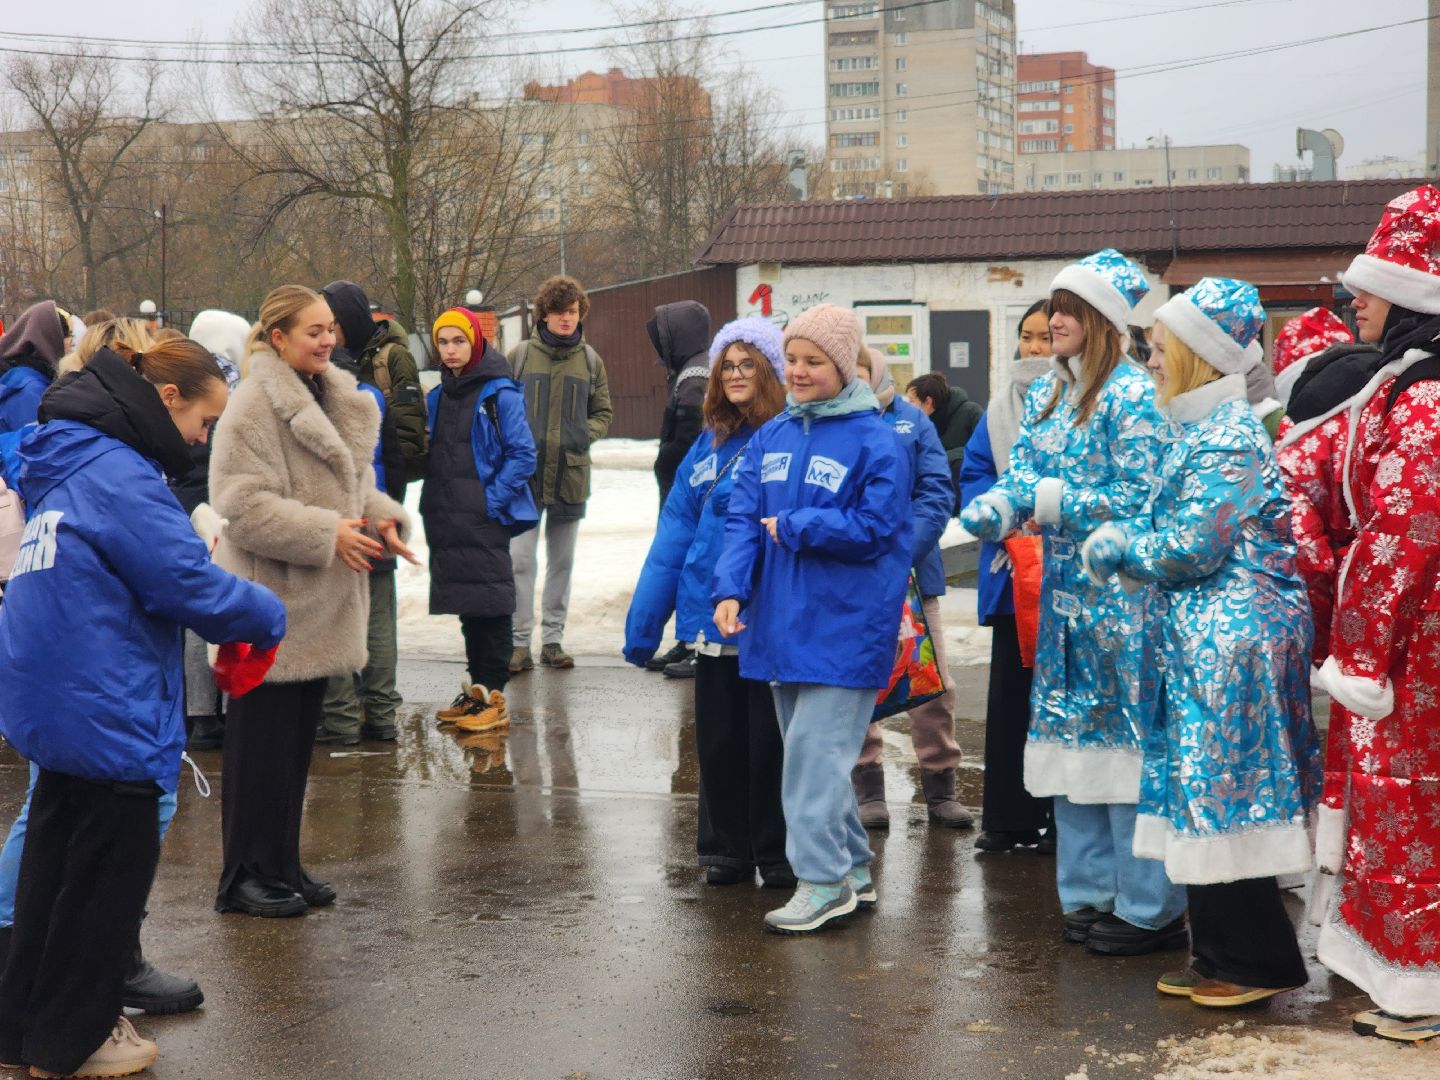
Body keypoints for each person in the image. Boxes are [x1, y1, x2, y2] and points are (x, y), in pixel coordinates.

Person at [0, 338, 285, 1078]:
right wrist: (268, 611)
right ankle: (76, 1040)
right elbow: (188, 584)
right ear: (167, 399)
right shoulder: (120, 473)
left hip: (55, 694)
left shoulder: (69, 457)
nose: (204, 437)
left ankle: (20, 1031)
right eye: (203, 419)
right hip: (106, 701)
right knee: (104, 885)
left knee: (54, 875)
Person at [1082, 277, 1320, 1007]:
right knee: (1201, 796)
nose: (1150, 359)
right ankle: (1217, 951)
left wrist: (1124, 545)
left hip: (1235, 644)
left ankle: (1257, 961)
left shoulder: (1228, 435)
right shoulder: (1201, 428)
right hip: (1204, 640)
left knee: (1229, 800)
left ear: (1198, 354)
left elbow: (1193, 547)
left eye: (1160, 347)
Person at [960, 249, 1187, 956]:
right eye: (1051, 308)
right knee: (1070, 750)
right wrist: (1001, 502)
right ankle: (1088, 893)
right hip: (1063, 607)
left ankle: (1148, 907)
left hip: (1124, 603)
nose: (1053, 320)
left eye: (1065, 310)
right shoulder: (1050, 392)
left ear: (1098, 320)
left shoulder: (1133, 395)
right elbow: (1025, 470)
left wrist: (1056, 503)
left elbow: (1145, 499)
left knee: (1125, 756)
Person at [209, 285, 414, 919]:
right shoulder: (252, 404)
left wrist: (380, 519)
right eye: (313, 331)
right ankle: (246, 875)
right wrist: (329, 533)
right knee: (258, 751)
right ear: (278, 338)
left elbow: (355, 485)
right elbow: (239, 506)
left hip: (319, 605)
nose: (328, 339)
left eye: (331, 329)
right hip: (271, 606)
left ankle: (282, 862)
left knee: (295, 748)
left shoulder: (331, 393)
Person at [712, 304, 911, 934]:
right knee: (814, 759)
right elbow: (742, 518)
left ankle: (820, 882)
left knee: (810, 762)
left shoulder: (876, 438)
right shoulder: (772, 436)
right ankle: (850, 870)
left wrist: (800, 526)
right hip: (779, 629)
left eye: (813, 362)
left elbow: (880, 528)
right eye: (792, 359)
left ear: (845, 365)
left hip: (845, 629)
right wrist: (731, 591)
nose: (797, 372)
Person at [1308, 186, 1440, 1042]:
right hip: (1418, 647)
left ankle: (1422, 991)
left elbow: (1401, 533)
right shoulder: (1411, 387)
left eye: (1371, 280)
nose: (1354, 296)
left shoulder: (1426, 401)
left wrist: (1358, 656)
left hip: (1419, 657)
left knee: (1413, 812)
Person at [626, 316, 792, 888]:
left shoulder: (788, 436)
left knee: (768, 740)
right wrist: (645, 623)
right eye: (728, 365)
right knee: (718, 739)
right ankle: (725, 849)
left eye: (749, 364)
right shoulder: (708, 442)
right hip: (708, 617)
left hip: (767, 616)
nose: (737, 374)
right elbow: (674, 535)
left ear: (771, 371)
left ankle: (774, 851)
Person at [851, 347, 971, 829]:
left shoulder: (910, 420)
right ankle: (867, 784)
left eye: (862, 375)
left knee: (933, 684)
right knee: (858, 682)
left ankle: (940, 784)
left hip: (914, 575)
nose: (854, 383)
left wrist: (900, 552)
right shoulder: (826, 421)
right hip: (852, 577)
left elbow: (937, 491)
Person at [959, 300, 1057, 853]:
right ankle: (1008, 817)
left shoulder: (1086, 401)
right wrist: (1000, 515)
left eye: (1046, 337)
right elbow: (974, 474)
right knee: (1011, 703)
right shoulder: (998, 408)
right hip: (1010, 572)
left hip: (1066, 577)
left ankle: (1063, 820)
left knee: (1062, 703)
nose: (1035, 348)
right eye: (1027, 336)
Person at [425, 306, 538, 732]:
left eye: (459, 341)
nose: (450, 350)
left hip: (481, 516)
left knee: (491, 602)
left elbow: (522, 453)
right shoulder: (439, 395)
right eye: (443, 342)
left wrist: (490, 501)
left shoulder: (499, 392)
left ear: (475, 342)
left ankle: (495, 695)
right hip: (449, 516)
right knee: (469, 606)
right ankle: (477, 692)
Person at [507, 275, 613, 672]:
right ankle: (519, 643)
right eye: (558, 311)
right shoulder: (518, 357)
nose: (566, 319)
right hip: (524, 478)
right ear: (544, 315)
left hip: (570, 476)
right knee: (519, 560)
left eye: (572, 312)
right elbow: (498, 409)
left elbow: (603, 411)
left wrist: (583, 435)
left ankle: (553, 640)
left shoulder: (590, 361)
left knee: (561, 562)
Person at [645, 300, 713, 678]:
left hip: (686, 492)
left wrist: (664, 461)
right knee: (686, 566)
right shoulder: (692, 368)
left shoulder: (694, 375)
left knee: (690, 565)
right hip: (682, 489)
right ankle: (688, 639)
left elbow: (689, 436)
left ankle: (696, 643)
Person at [319, 281, 428, 486]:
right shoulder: (329, 358)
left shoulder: (395, 357)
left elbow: (409, 426)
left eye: (332, 325)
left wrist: (392, 477)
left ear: (351, 319)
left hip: (382, 477)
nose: (328, 334)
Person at [904, 369, 982, 493]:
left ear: (928, 402)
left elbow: (982, 451)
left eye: (912, 400)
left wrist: (943, 458)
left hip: (968, 490)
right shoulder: (916, 424)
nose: (907, 405)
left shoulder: (971, 413)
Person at [0, 301, 72, 434]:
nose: (71, 342)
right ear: (51, 337)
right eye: (68, 335)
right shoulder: (32, 389)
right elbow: (35, 445)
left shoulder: (21, 375)